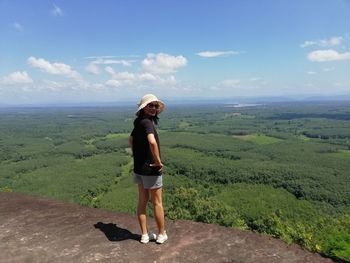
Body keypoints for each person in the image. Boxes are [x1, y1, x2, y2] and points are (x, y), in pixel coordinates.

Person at [128, 94, 168, 244]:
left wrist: (138, 156)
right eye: (150, 105)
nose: (153, 108)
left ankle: (144, 235)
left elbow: (130, 139)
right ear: (143, 107)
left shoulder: (138, 122)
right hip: (151, 169)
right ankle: (161, 234)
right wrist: (158, 161)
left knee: (142, 201)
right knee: (157, 202)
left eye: (155, 106)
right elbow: (152, 142)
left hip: (139, 169)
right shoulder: (148, 123)